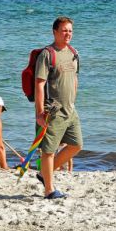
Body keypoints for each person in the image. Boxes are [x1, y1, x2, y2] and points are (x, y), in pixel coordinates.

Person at [35, 16, 82, 200]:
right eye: (64, 30)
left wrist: (73, 101)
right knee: (48, 151)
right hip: (52, 111)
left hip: (71, 110)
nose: (68, 34)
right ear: (55, 32)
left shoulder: (73, 52)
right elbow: (39, 84)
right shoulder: (47, 54)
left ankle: (44, 174)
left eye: (70, 30)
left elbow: (75, 79)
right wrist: (39, 113)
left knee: (76, 145)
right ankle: (49, 190)